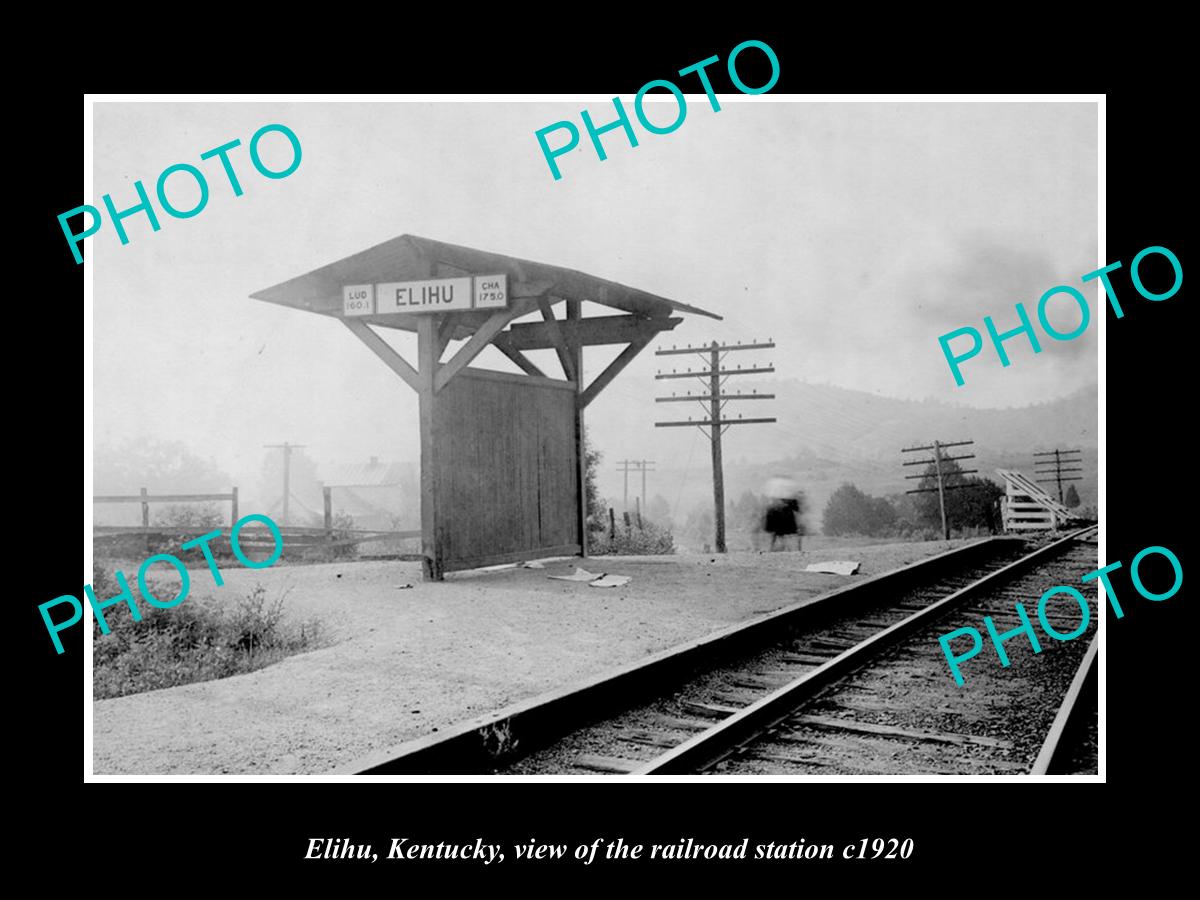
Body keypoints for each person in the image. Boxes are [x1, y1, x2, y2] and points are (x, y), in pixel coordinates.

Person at [762, 476, 802, 551]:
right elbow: (796, 508)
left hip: (775, 517)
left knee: (776, 534)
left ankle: (772, 548)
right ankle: (790, 548)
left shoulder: (774, 493)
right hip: (786, 518)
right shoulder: (790, 492)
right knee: (787, 534)